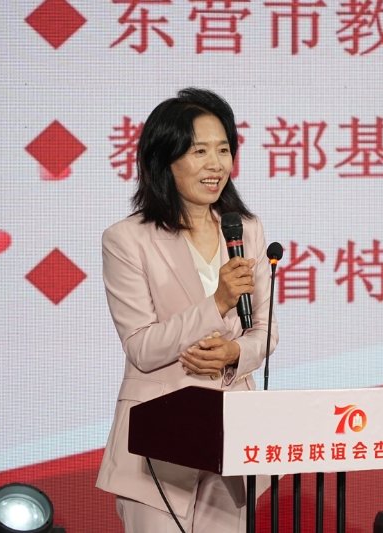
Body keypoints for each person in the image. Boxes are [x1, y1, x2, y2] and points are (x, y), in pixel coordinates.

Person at [96, 87, 279, 532]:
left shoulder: (247, 230)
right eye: (200, 152)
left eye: (224, 150)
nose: (216, 165)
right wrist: (217, 303)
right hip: (158, 437)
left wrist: (235, 354)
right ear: (165, 159)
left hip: (233, 436)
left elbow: (264, 331)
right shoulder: (127, 240)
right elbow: (141, 347)